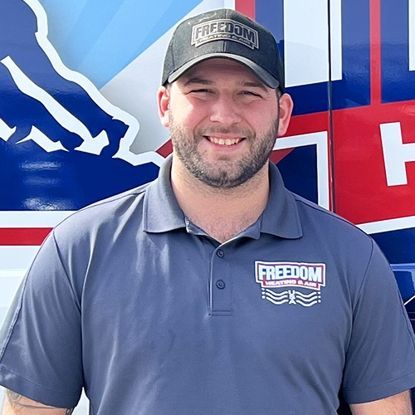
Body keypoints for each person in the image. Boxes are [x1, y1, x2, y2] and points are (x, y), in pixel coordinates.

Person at [0, 8, 415, 415]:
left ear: (283, 113)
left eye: (248, 93)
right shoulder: (79, 249)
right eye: (201, 92)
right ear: (164, 105)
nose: (224, 115)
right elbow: (32, 408)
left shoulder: (351, 258)